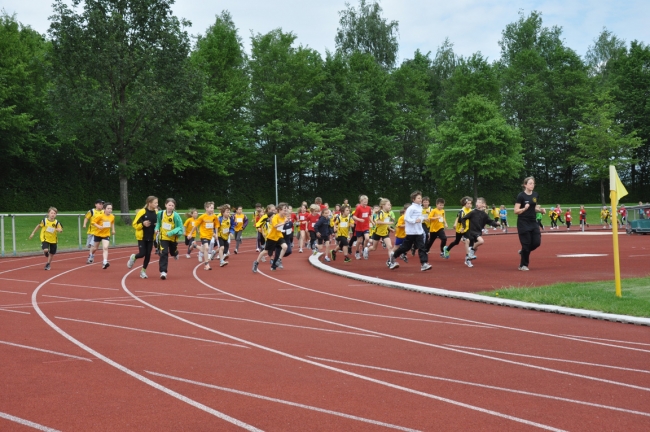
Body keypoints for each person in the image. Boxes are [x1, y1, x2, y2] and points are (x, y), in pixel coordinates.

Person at [388, 191, 431, 271]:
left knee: (422, 247)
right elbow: (406, 218)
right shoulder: (411, 208)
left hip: (419, 231)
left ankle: (424, 263)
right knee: (405, 247)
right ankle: (392, 257)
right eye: (418, 198)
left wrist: (423, 218)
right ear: (413, 199)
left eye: (421, 198)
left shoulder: (420, 207)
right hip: (411, 232)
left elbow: (420, 217)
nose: (420, 199)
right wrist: (415, 220)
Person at [514, 177, 546, 271]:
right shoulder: (521, 196)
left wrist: (540, 210)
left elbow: (534, 208)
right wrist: (524, 208)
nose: (532, 185)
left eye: (533, 183)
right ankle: (523, 265)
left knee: (537, 242)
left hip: (533, 221)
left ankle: (523, 252)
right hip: (523, 222)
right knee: (526, 244)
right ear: (525, 185)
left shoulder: (535, 195)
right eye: (530, 183)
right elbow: (516, 211)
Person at [458, 198, 499, 267]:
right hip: (472, 232)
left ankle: (468, 259)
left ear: (483, 204)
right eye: (477, 202)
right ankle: (470, 251)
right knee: (481, 241)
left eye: (479, 202)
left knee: (475, 248)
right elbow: (463, 218)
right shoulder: (473, 212)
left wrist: (496, 224)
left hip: (478, 232)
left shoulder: (484, 214)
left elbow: (490, 221)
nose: (477, 203)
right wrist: (464, 227)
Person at [128, 196, 158, 278]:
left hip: (151, 237)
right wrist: (143, 224)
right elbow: (134, 224)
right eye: (155, 203)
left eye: (157, 203)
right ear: (149, 203)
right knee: (142, 254)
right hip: (142, 237)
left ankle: (143, 271)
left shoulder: (156, 212)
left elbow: (159, 223)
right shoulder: (142, 212)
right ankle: (134, 257)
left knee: (148, 255)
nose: (157, 204)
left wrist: (157, 226)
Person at [253, 203, 288, 272]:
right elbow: (275, 226)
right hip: (272, 237)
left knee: (285, 247)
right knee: (265, 251)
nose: (285, 212)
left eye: (286, 210)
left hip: (279, 236)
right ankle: (256, 262)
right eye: (284, 210)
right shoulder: (275, 217)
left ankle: (279, 260)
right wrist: (284, 223)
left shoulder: (284, 217)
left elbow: (281, 226)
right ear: (280, 210)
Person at [155, 198, 184, 279]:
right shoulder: (160, 214)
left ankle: (175, 253)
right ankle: (163, 272)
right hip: (163, 237)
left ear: (174, 206)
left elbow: (179, 227)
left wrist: (171, 232)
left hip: (172, 238)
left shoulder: (176, 216)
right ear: (165, 205)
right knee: (163, 253)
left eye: (172, 205)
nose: (171, 207)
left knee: (172, 252)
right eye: (169, 205)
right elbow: (158, 224)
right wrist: (156, 229)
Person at [364, 198, 394, 264]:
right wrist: (388, 223)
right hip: (377, 232)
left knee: (390, 247)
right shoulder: (381, 212)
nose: (390, 206)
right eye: (388, 205)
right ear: (383, 205)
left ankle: (391, 263)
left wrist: (390, 228)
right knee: (374, 248)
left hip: (385, 232)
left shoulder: (388, 213)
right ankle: (367, 249)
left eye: (390, 205)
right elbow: (378, 222)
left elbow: (385, 222)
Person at [193, 201, 220, 271]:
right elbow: (196, 224)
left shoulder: (214, 216)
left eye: (213, 208)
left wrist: (216, 234)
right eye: (211, 208)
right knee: (207, 248)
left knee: (205, 249)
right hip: (203, 235)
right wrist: (190, 233)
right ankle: (206, 264)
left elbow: (217, 225)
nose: (212, 209)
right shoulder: (202, 217)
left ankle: (195, 246)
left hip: (210, 235)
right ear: (206, 208)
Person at [88, 202, 115, 269]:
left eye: (111, 209)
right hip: (98, 234)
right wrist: (99, 226)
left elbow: (112, 223)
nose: (110, 210)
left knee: (105, 247)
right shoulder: (100, 216)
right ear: (104, 209)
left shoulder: (112, 216)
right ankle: (91, 255)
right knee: (95, 248)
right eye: (108, 208)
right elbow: (93, 222)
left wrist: (113, 230)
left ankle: (105, 262)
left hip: (106, 234)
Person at [353, 195, 372, 260]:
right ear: (360, 201)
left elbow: (369, 216)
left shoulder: (369, 208)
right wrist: (359, 220)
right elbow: (354, 216)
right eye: (364, 202)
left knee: (367, 238)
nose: (365, 203)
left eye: (366, 202)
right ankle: (357, 252)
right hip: (359, 227)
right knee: (358, 241)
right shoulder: (358, 208)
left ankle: (364, 250)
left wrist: (372, 221)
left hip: (366, 226)